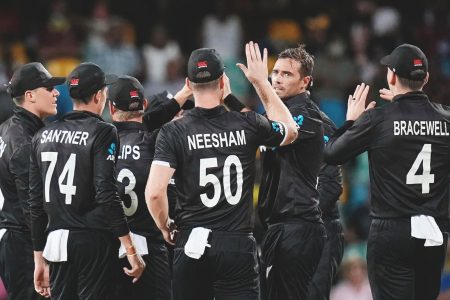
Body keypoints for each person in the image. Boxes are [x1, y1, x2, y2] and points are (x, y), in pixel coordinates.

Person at [145, 42, 298, 300]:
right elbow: (291, 130)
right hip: (237, 244)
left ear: (188, 83)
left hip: (191, 241)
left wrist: (164, 226)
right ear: (223, 80)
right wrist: (260, 83)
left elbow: (154, 193)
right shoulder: (247, 122)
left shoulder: (174, 131)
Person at [324, 44, 450, 299]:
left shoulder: (379, 120)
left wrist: (351, 120)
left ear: (391, 76)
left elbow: (331, 154)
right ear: (425, 78)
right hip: (434, 231)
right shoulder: (446, 119)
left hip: (392, 230)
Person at [28, 62, 145, 299]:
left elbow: (35, 202)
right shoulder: (103, 131)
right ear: (99, 95)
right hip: (93, 240)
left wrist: (38, 257)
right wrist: (130, 247)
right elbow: (106, 191)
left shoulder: (42, 135)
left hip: (56, 241)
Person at [256, 45, 327, 300]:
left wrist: (259, 85)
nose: (276, 78)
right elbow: (254, 124)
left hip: (297, 224)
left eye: (287, 74)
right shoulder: (276, 111)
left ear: (305, 81)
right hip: (280, 226)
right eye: (274, 72)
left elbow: (287, 131)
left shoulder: (307, 115)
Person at [0, 62, 64, 299]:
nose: (56, 92)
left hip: (13, 234)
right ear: (30, 96)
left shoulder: (7, 129)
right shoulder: (24, 142)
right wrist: (41, 256)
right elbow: (32, 206)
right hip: (23, 240)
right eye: (48, 88)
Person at [108, 75, 174, 300]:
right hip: (152, 245)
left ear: (110, 108)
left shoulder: (99, 142)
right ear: (144, 105)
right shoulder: (157, 142)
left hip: (109, 246)